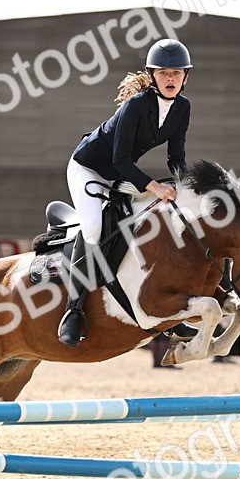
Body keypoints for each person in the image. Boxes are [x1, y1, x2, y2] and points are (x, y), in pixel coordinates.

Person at [57, 38, 192, 347]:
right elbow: (119, 158)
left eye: (176, 73)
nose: (170, 79)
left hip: (120, 175)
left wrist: (185, 187)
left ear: (185, 77)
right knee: (93, 227)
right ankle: (73, 310)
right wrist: (155, 186)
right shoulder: (136, 105)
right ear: (153, 75)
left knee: (157, 219)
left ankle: (167, 314)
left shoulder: (182, 108)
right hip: (88, 169)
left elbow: (176, 158)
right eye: (163, 73)